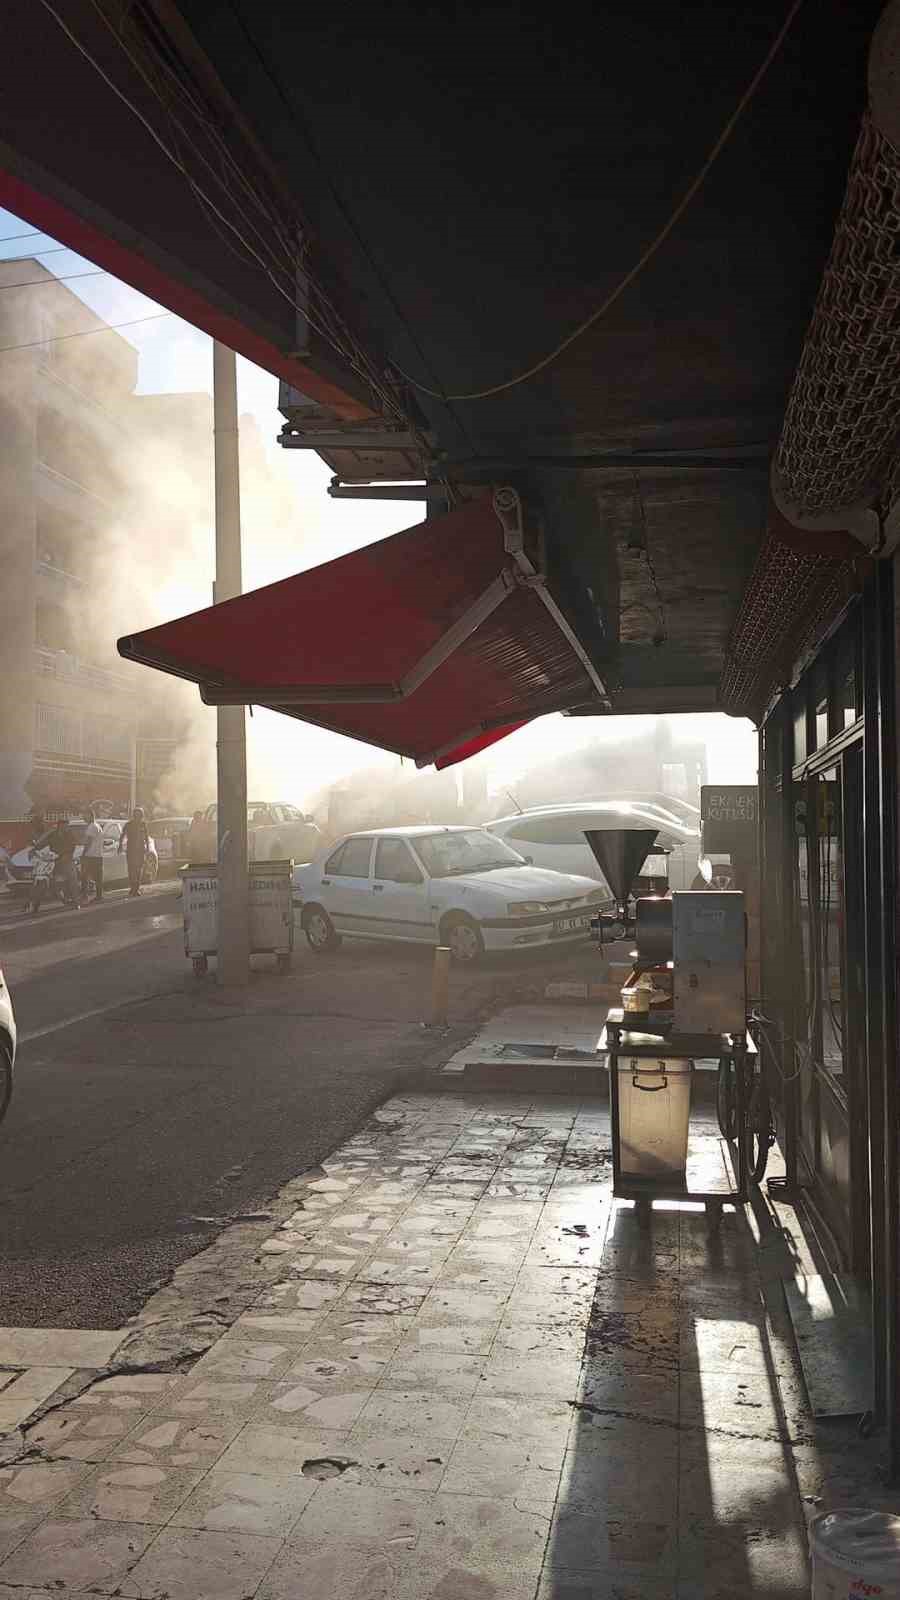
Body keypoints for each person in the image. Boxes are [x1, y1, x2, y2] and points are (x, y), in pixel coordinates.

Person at [119, 806, 149, 896]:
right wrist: (120, 845)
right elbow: (122, 835)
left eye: (140, 815)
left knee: (139, 870)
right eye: (136, 815)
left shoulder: (143, 824)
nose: (138, 817)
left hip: (140, 850)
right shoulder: (129, 824)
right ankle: (133, 888)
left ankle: (136, 888)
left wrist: (147, 847)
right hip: (131, 850)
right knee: (131, 869)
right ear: (134, 815)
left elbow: (146, 836)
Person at [80, 809, 105, 902]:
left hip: (90, 856)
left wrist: (83, 854)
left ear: (90, 815)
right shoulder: (97, 826)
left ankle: (84, 896)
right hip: (97, 856)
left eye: (85, 815)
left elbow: (88, 842)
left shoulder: (91, 827)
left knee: (84, 876)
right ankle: (99, 896)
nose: (83, 818)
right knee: (97, 877)